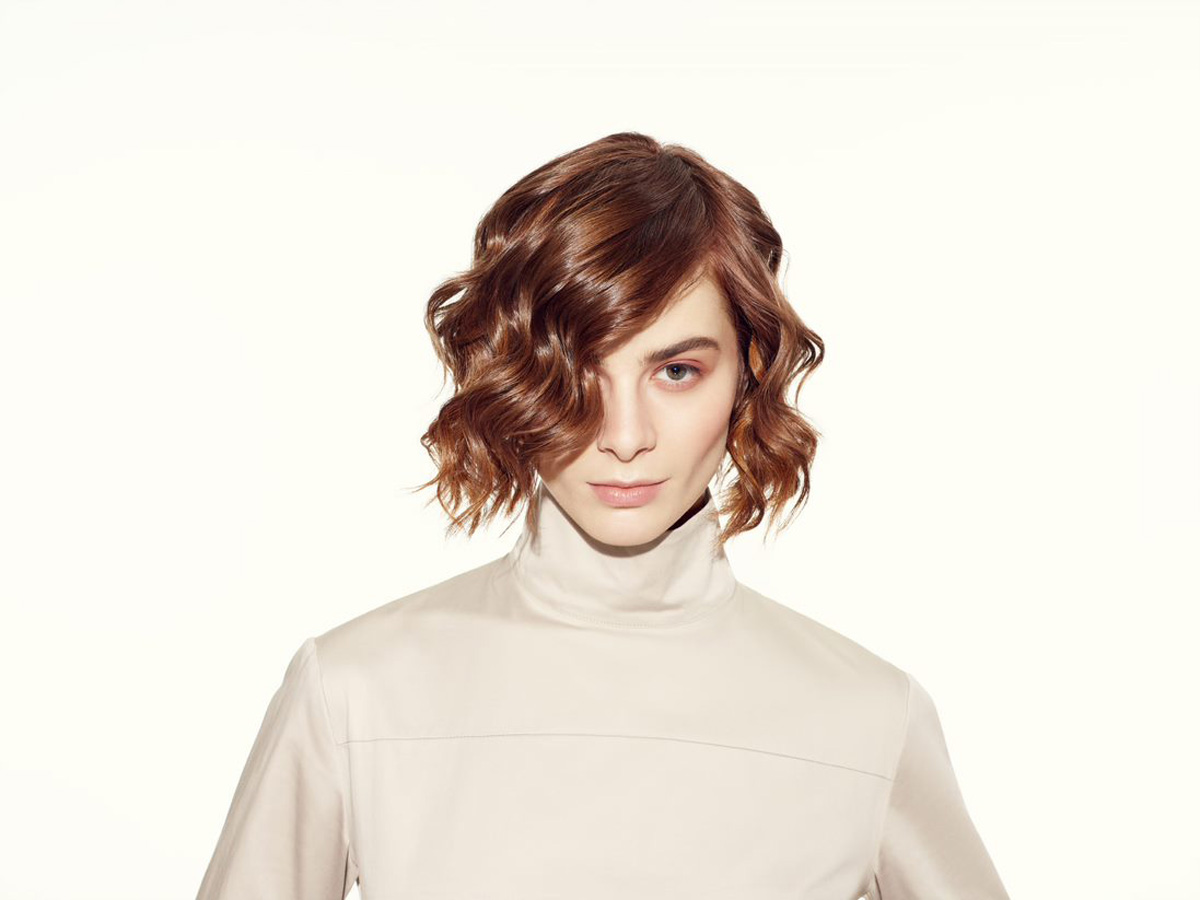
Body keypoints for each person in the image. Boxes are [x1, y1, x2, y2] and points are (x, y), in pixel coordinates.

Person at [195, 131, 1009, 899]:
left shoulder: (868, 719)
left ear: (749, 372)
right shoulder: (354, 693)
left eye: (677, 370)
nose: (624, 436)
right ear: (512, 373)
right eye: (578, 369)